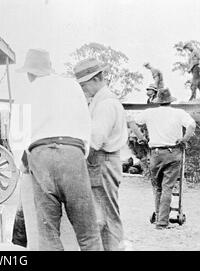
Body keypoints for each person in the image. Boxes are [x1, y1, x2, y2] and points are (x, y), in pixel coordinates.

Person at [12, 49, 103, 251]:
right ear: (50, 68)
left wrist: (27, 163)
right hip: (72, 152)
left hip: (40, 155)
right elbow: (85, 124)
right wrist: (79, 154)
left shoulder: (26, 91)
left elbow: (17, 138)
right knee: (88, 232)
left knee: (48, 234)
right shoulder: (71, 85)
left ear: (29, 72)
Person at [73, 58, 128, 250]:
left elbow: (95, 140)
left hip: (103, 161)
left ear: (96, 79)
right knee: (103, 214)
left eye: (84, 84)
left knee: (106, 215)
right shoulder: (100, 100)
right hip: (102, 161)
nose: (83, 89)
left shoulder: (105, 103)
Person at [128, 88, 196, 229]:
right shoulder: (179, 113)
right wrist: (184, 139)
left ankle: (160, 215)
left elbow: (131, 122)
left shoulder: (150, 112)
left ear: (158, 100)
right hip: (173, 152)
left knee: (157, 187)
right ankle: (162, 221)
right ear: (170, 100)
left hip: (155, 153)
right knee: (167, 188)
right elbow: (191, 125)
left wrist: (141, 138)